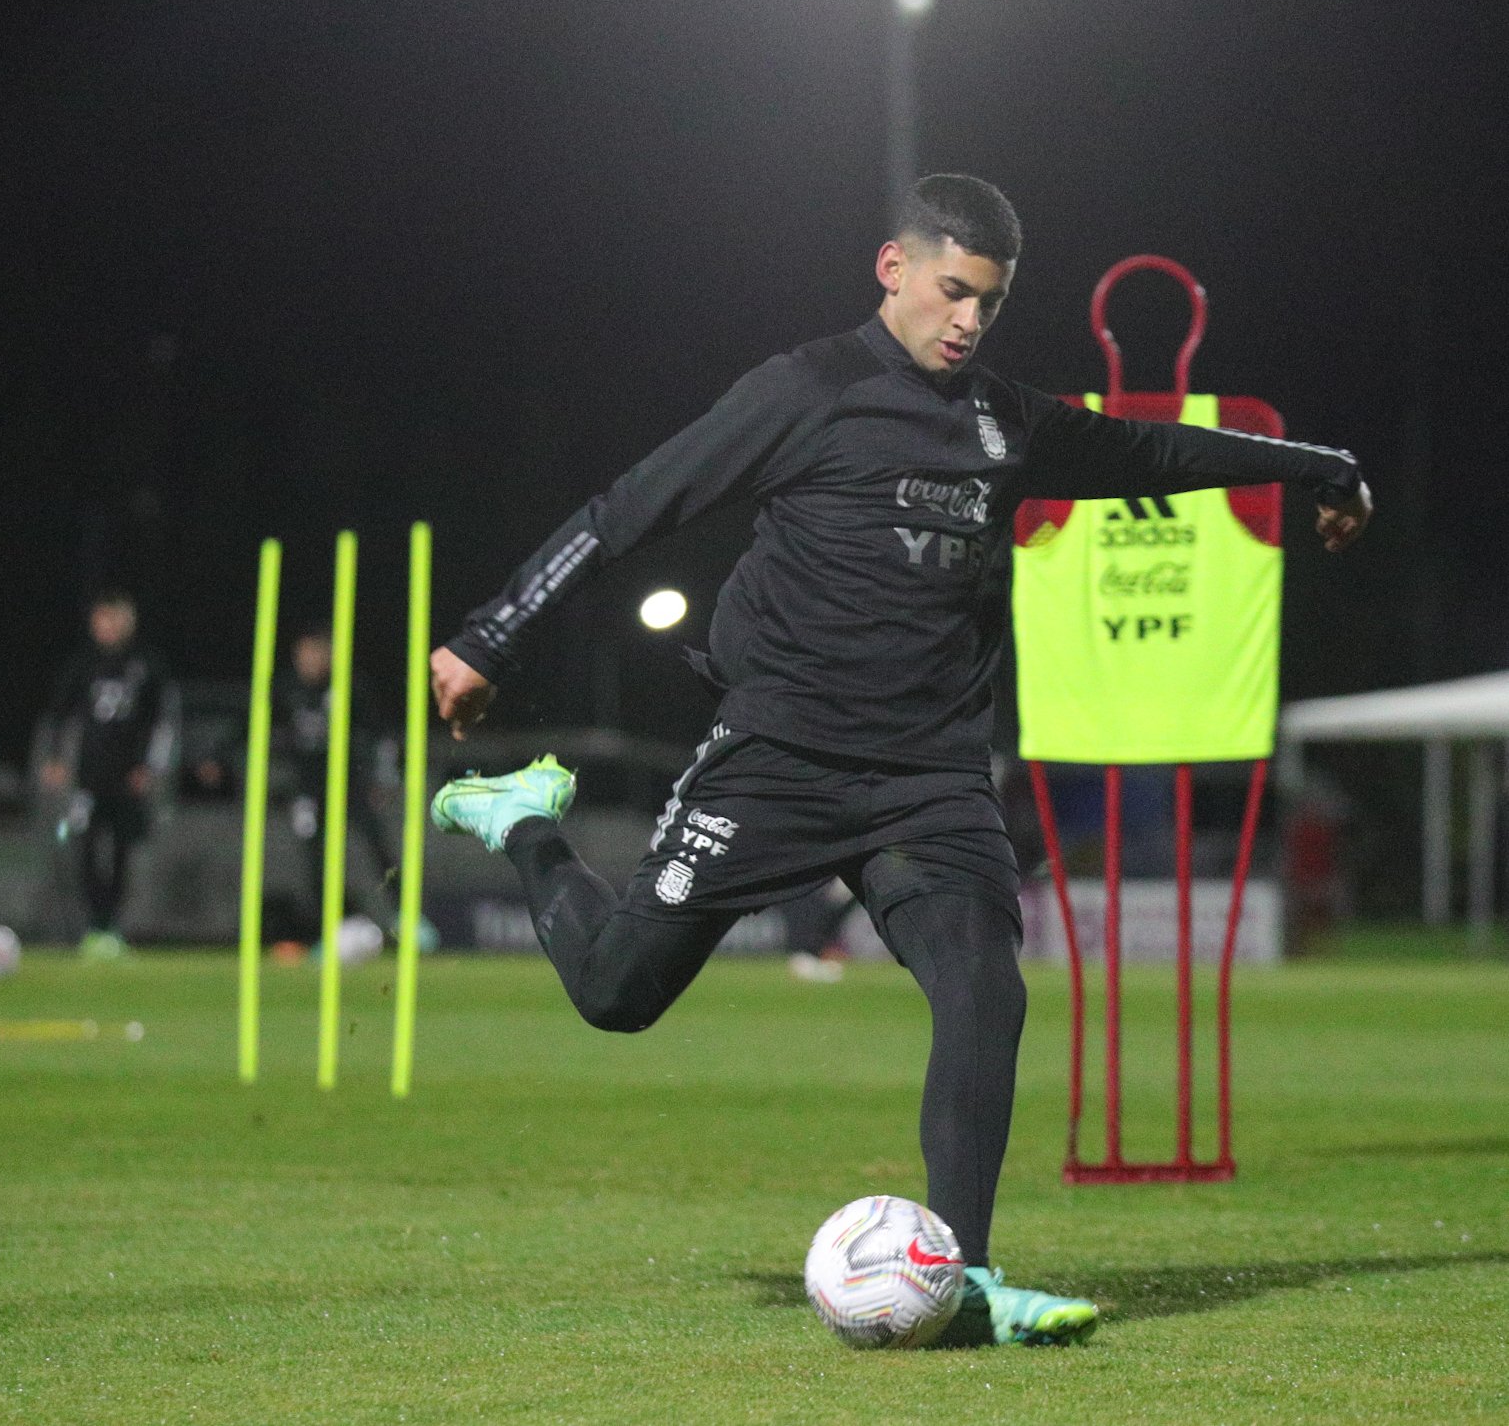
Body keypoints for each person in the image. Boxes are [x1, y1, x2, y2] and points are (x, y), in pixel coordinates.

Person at [426, 175, 1372, 1346]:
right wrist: (490, 633)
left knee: (983, 987)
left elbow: (1146, 451)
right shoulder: (804, 391)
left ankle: (965, 1280)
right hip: (777, 754)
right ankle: (525, 820)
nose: (967, 320)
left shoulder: (1004, 423)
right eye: (950, 290)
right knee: (617, 993)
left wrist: (1315, 462)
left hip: (926, 780)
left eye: (987, 301)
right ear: (892, 268)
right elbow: (630, 507)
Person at [40, 590, 168, 957]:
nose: (107, 627)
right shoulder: (83, 664)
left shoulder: (147, 664)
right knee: (84, 847)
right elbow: (59, 714)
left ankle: (112, 925)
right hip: (88, 777)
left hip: (127, 777)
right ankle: (94, 924)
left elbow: (161, 721)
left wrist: (147, 767)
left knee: (122, 851)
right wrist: (55, 758)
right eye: (101, 619)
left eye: (114, 619)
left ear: (128, 621)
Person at [277, 625, 397, 941]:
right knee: (316, 859)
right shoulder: (287, 689)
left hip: (350, 782)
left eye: (314, 653)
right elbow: (255, 724)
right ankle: (332, 928)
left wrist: (382, 778)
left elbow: (379, 733)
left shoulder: (349, 686)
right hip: (309, 790)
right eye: (302, 655)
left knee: (377, 848)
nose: (308, 662)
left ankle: (408, 917)